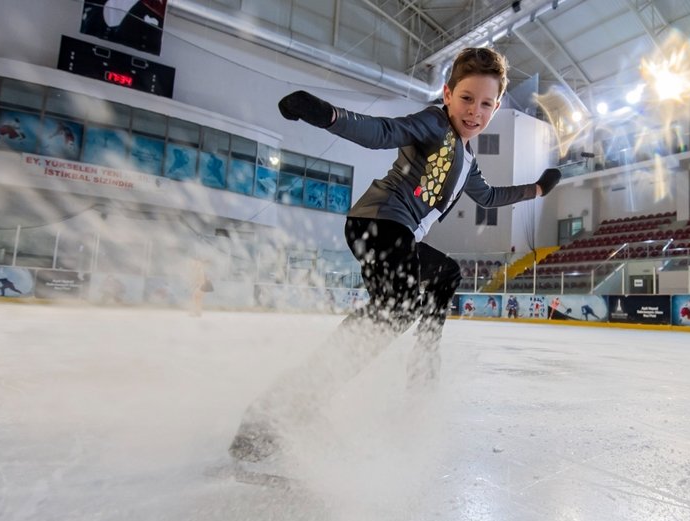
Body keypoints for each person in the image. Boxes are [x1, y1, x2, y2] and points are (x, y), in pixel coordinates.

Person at [228, 47, 561, 463]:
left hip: (399, 233)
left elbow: (490, 197)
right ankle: (284, 408)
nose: (475, 111)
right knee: (397, 307)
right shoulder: (435, 123)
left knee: (445, 274)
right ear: (447, 94)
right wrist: (325, 114)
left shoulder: (468, 159)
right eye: (467, 98)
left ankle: (422, 366)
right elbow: (383, 131)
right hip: (380, 222)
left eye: (487, 104)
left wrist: (538, 190)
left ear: (495, 107)